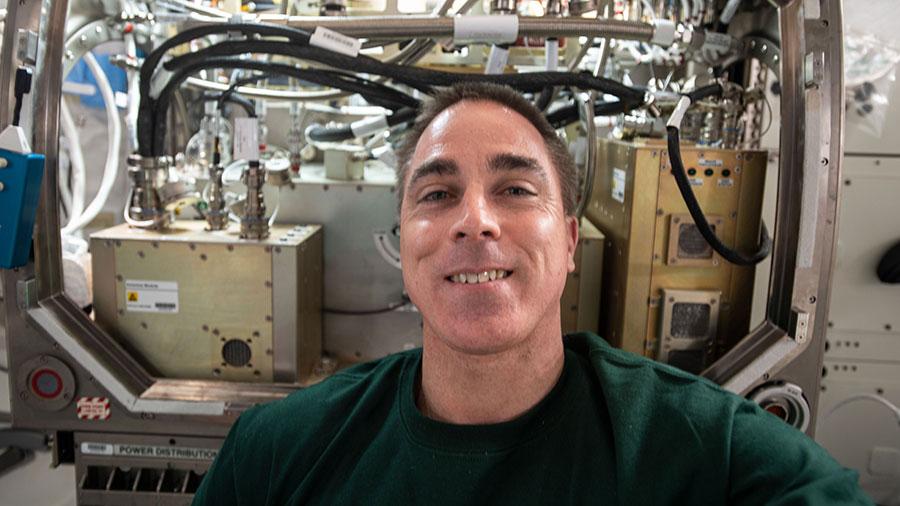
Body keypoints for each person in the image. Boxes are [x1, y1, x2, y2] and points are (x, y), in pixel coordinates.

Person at [192, 83, 872, 505]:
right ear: (403, 247)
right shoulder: (277, 455)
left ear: (571, 242)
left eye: (516, 189)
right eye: (437, 194)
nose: (475, 219)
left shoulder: (702, 451)